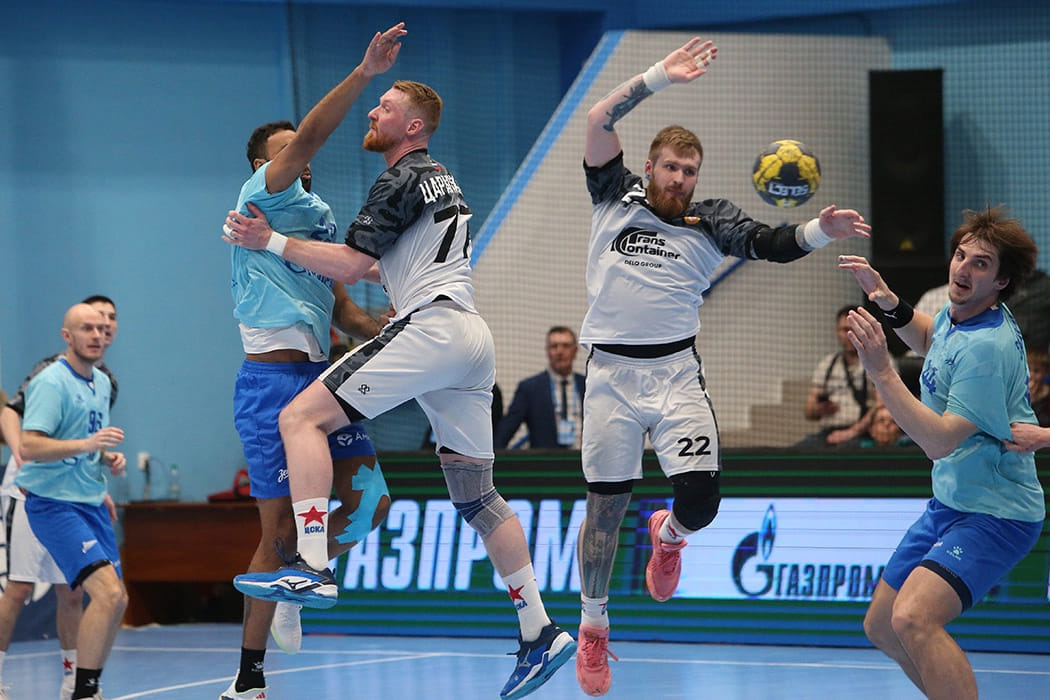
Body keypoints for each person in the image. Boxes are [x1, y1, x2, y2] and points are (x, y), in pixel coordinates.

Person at [222, 67, 576, 700]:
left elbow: (351, 266)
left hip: (431, 330)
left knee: (301, 418)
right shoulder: (443, 181)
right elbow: (381, 269)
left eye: (383, 107)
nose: (372, 113)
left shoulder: (397, 178)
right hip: (470, 339)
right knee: (477, 498)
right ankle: (540, 629)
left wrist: (271, 240)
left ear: (413, 126)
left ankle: (311, 567)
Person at [573, 37, 871, 696]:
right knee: (604, 512)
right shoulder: (613, 194)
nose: (680, 179)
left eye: (690, 171)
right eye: (671, 167)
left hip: (676, 375)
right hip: (610, 379)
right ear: (649, 166)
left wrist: (819, 231)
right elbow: (598, 118)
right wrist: (660, 76)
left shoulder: (712, 221)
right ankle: (594, 628)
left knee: (703, 502)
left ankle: (670, 536)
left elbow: (774, 243)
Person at [218, 23, 408, 700]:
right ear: (261, 166)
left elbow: (339, 304)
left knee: (373, 501)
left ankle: (305, 568)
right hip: (270, 382)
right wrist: (364, 73)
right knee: (273, 532)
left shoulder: (318, 214)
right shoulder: (259, 198)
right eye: (286, 150)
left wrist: (383, 326)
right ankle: (249, 676)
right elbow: (310, 138)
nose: (299, 155)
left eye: (297, 150)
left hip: (321, 377)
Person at [838, 205, 1044, 700]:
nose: (962, 269)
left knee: (914, 617)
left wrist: (881, 371)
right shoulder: (964, 314)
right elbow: (932, 338)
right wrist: (887, 301)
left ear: (1001, 281)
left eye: (980, 263)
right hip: (950, 503)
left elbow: (938, 440)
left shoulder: (987, 347)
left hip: (997, 513)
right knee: (882, 626)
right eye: (961, 256)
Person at [0, 295, 120, 700]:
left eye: (106, 324)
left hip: (84, 498)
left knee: (93, 595)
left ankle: (77, 683)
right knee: (21, 588)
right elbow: (23, 431)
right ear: (67, 335)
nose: (100, 331)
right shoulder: (50, 378)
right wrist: (27, 454)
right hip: (42, 495)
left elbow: (89, 441)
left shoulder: (104, 382)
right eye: (90, 326)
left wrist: (104, 463)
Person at [798, 305, 886, 448]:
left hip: (862, 434)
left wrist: (852, 432)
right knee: (800, 449)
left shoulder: (879, 360)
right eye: (844, 330)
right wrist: (820, 408)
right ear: (837, 331)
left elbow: (882, 404)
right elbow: (809, 411)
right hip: (828, 433)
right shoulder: (827, 364)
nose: (849, 335)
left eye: (854, 329)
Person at [494, 326, 586, 449]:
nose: (560, 352)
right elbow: (504, 433)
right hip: (545, 459)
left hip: (583, 458)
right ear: (547, 351)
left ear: (575, 351)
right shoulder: (530, 389)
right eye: (554, 346)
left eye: (566, 346)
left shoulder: (587, 386)